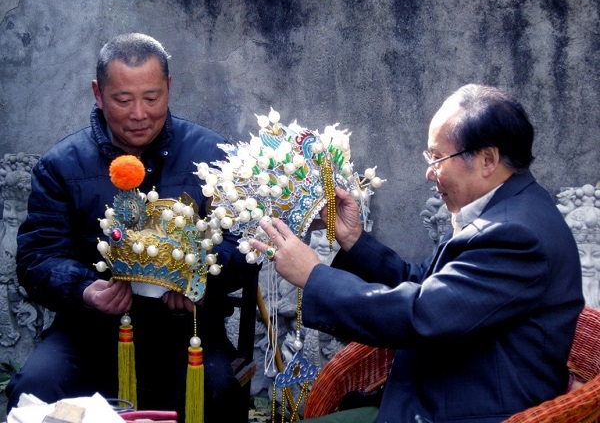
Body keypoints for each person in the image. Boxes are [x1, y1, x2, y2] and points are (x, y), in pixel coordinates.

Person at [250, 84, 585, 422]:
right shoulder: (499, 209)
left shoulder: (515, 234)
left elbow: (421, 315)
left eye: (438, 158)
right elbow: (428, 285)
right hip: (432, 388)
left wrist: (314, 276)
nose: (429, 172)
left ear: (487, 160)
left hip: (463, 409)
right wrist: (353, 239)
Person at [5, 33, 259, 423]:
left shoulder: (213, 157)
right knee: (33, 389)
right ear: (98, 93)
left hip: (187, 331)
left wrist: (200, 281)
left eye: (151, 98)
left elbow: (244, 242)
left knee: (215, 391)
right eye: (123, 100)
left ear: (169, 87)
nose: (139, 114)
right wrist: (86, 290)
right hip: (88, 332)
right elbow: (38, 258)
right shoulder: (61, 165)